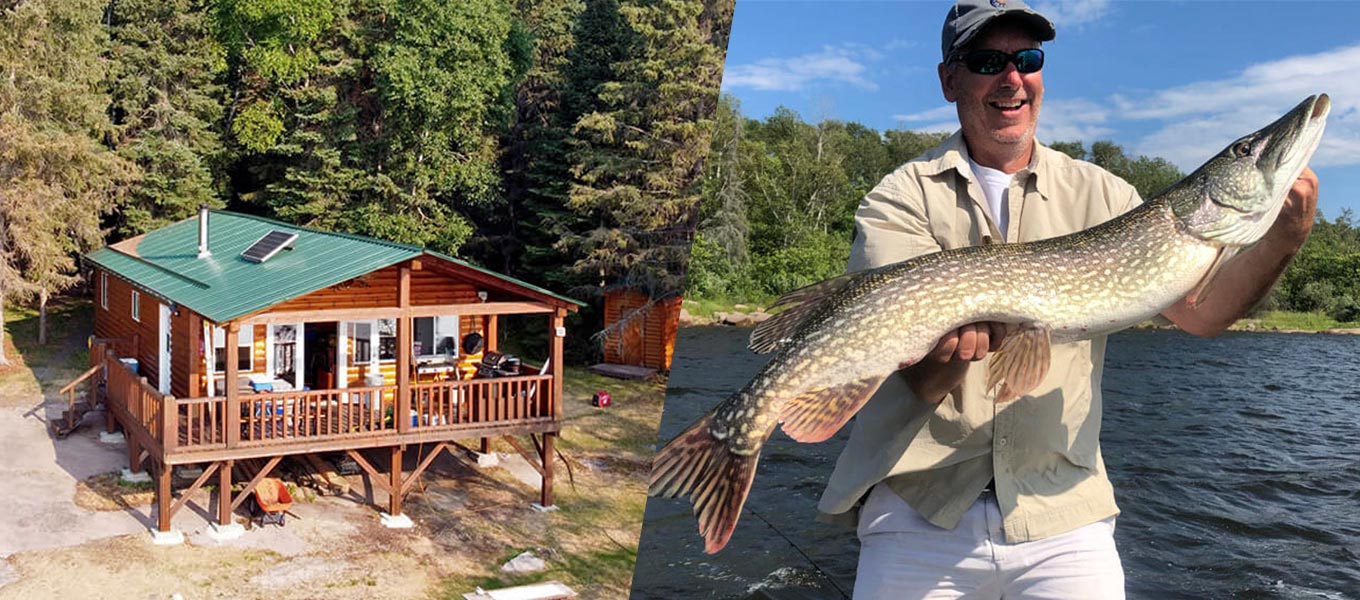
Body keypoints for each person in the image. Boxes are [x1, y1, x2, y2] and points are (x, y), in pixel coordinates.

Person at [816, 1, 1320, 597]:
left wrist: (1285, 236)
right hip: (917, 507)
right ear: (950, 79)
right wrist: (956, 349)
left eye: (1027, 59)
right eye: (987, 61)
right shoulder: (900, 197)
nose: (1012, 78)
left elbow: (1202, 315)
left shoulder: (1108, 194)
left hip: (1063, 513)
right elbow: (921, 384)